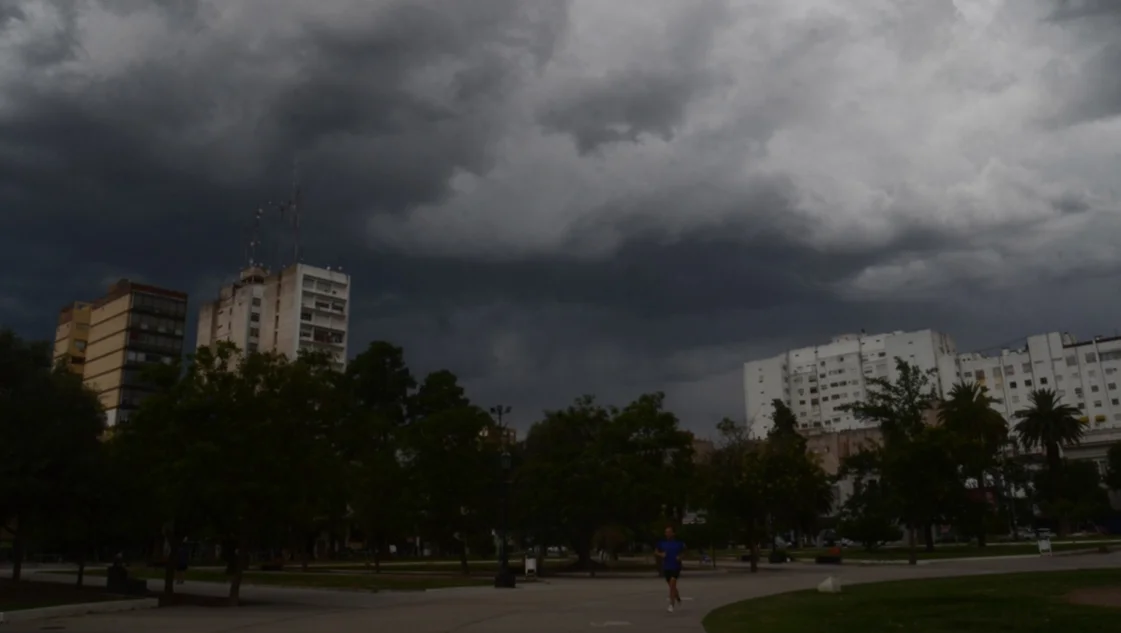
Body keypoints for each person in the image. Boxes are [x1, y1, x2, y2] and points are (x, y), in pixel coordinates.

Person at [654, 525, 685, 612]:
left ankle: (671, 604)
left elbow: (684, 553)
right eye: (666, 532)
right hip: (666, 567)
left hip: (676, 566)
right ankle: (677, 596)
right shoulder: (661, 543)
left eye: (669, 532)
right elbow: (656, 551)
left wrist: (680, 557)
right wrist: (661, 554)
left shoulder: (679, 543)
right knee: (672, 586)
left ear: (673, 533)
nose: (667, 533)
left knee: (672, 584)